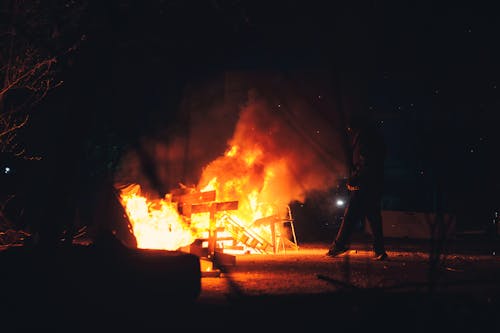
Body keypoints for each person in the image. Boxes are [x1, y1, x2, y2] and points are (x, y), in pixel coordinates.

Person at [327, 113, 388, 260]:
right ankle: (379, 251)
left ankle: (339, 246)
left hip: (365, 185)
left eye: (350, 127)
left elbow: (366, 164)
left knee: (353, 216)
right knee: (372, 218)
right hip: (371, 184)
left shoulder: (365, 139)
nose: (348, 130)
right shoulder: (371, 137)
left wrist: (354, 179)